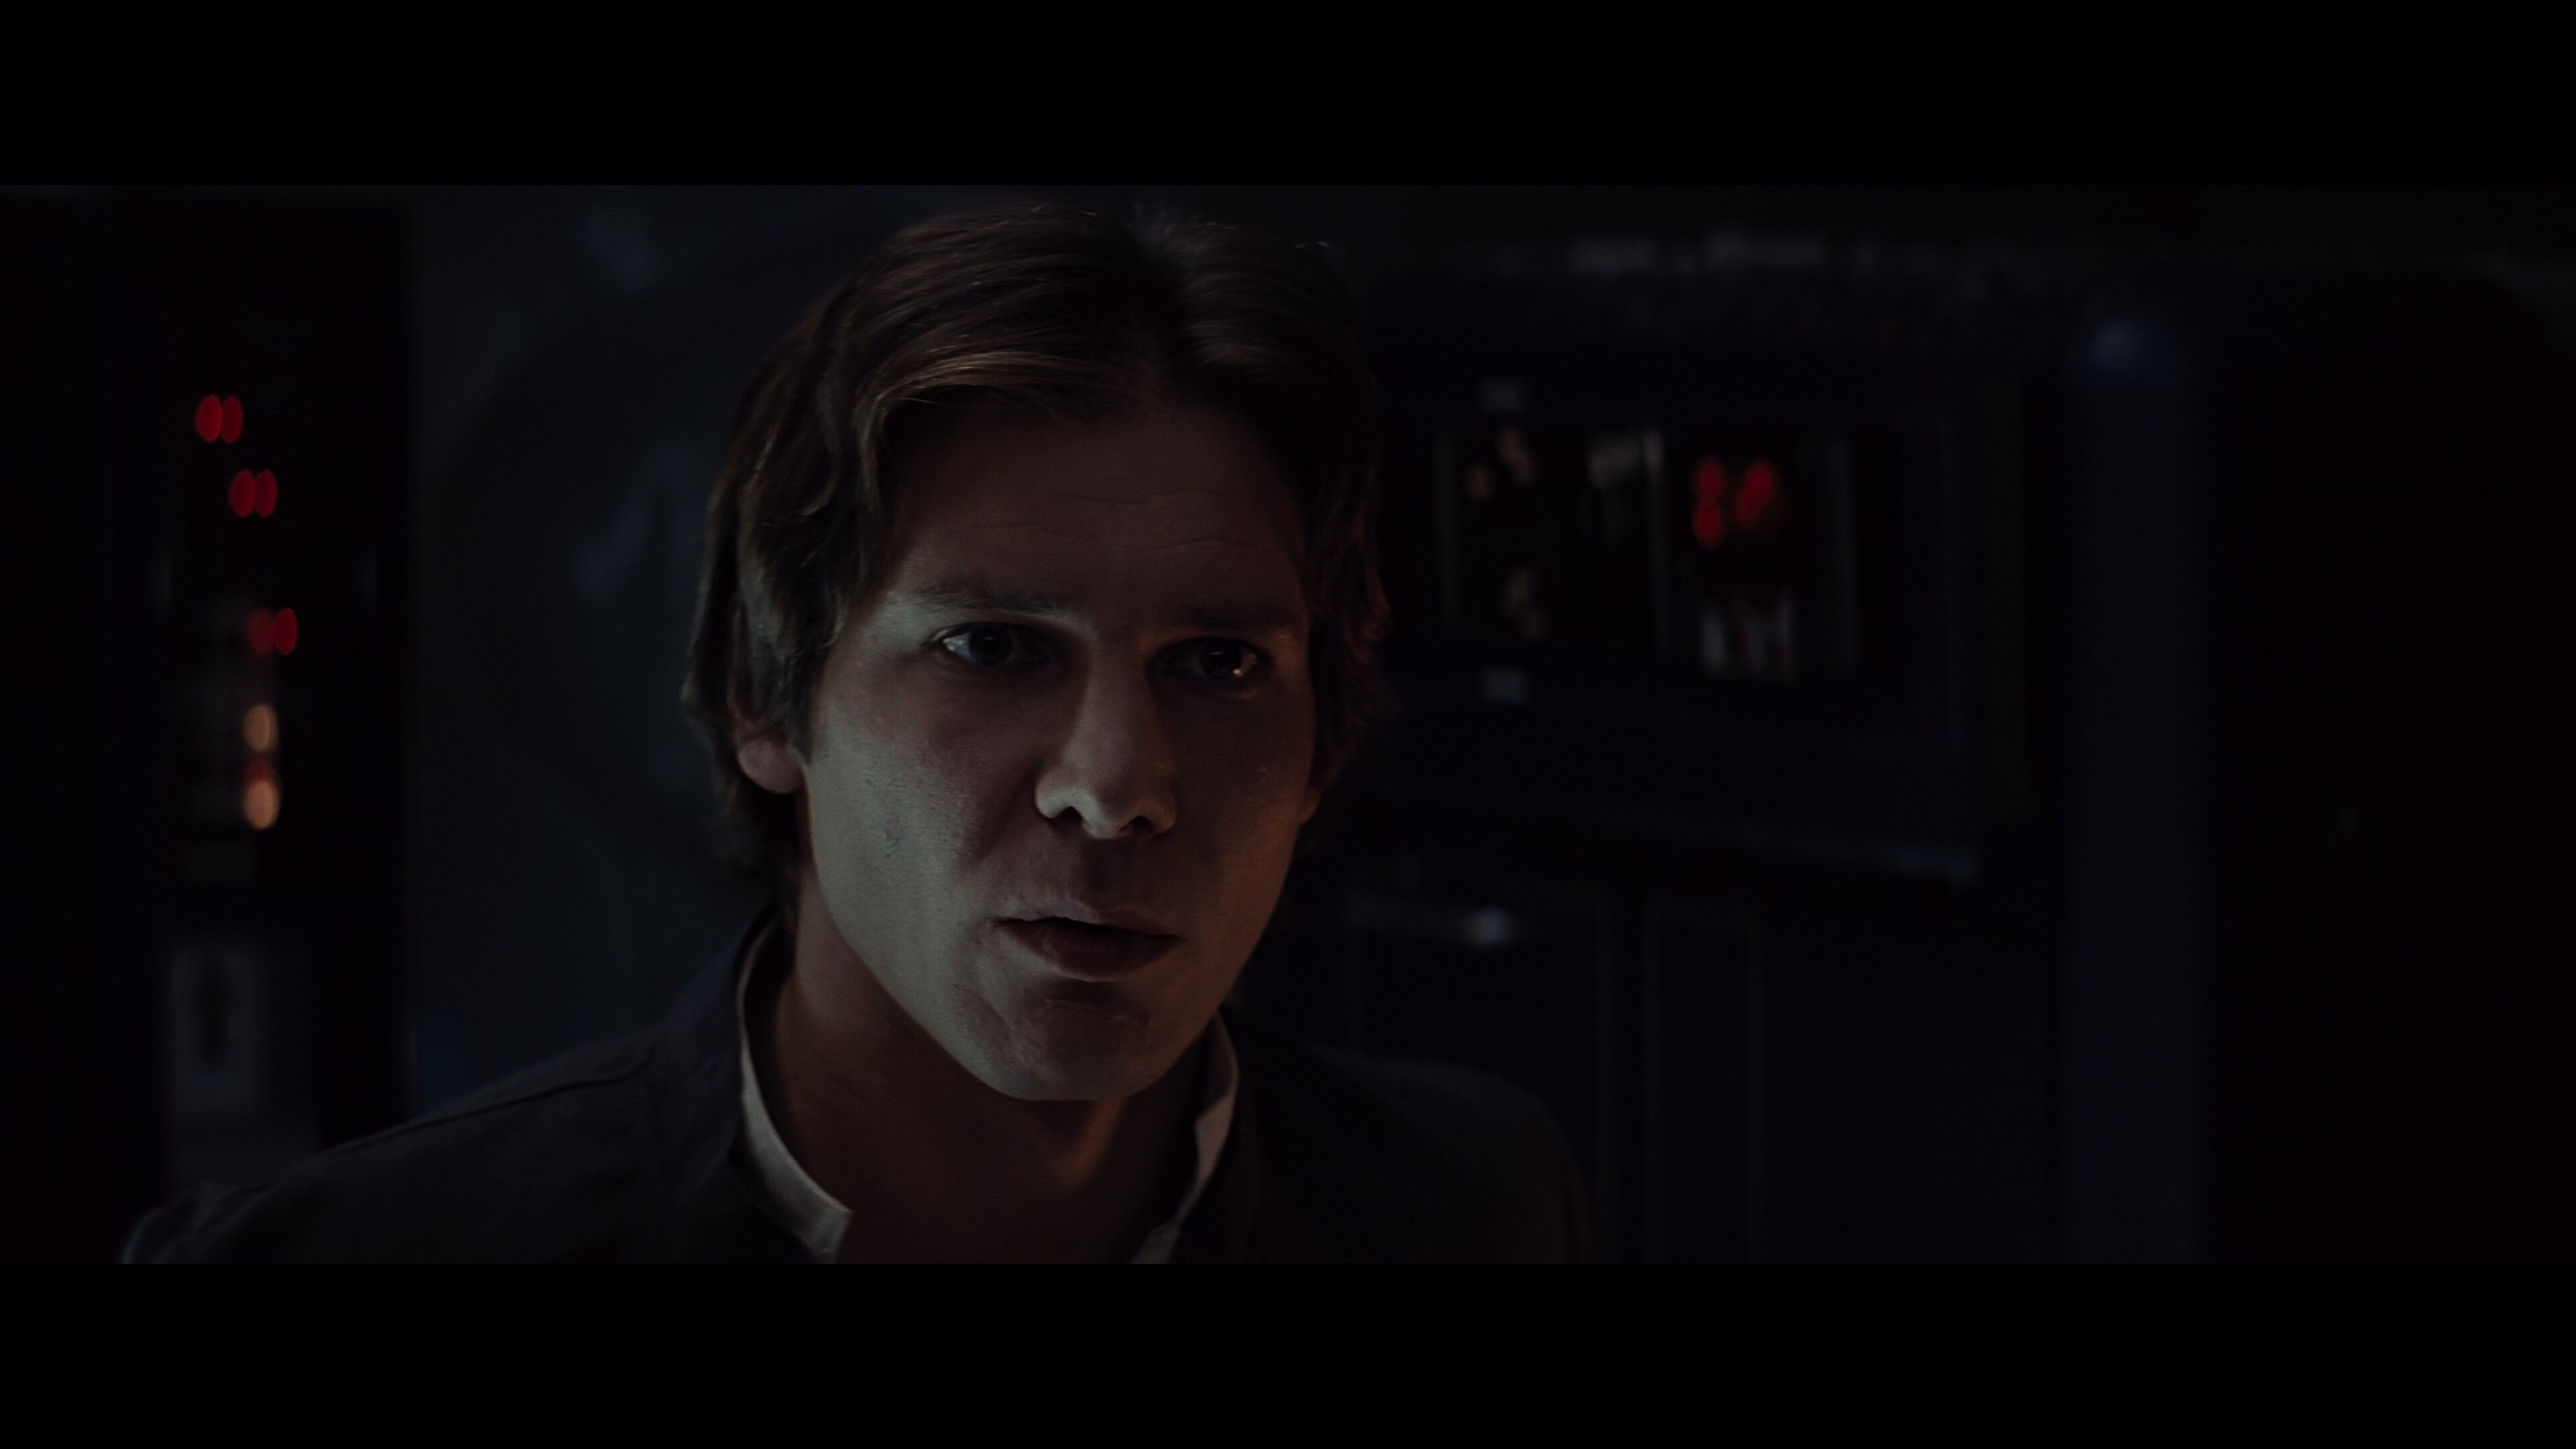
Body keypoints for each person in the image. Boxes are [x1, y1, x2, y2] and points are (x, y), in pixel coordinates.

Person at [126, 201, 1586, 1263]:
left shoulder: (1464, 1207)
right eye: (992, 648)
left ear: (1325, 739)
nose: (1114, 786)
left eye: (1217, 664)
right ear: (767, 699)